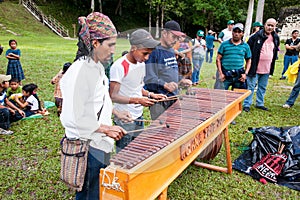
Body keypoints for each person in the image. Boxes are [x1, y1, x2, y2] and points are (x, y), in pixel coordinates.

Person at [59, 12, 126, 199]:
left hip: (98, 144)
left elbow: (96, 102)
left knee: (97, 191)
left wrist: (115, 112)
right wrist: (106, 129)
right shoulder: (80, 72)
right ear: (95, 43)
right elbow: (72, 117)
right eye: (110, 45)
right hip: (87, 148)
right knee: (89, 195)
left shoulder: (95, 68)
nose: (113, 50)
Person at [109, 29, 166, 151]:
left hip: (138, 116)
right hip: (125, 118)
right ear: (134, 48)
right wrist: (138, 101)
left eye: (149, 54)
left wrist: (151, 95)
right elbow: (113, 96)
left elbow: (137, 88)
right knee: (124, 155)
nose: (147, 58)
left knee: (138, 150)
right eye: (145, 53)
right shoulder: (119, 66)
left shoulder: (141, 64)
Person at [144, 20, 192, 120]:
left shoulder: (170, 50)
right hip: (160, 100)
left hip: (173, 97)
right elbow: (148, 79)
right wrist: (165, 85)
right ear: (164, 33)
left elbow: (171, 71)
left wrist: (181, 80)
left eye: (177, 38)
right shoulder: (154, 51)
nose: (176, 40)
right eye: (173, 36)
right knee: (161, 132)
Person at [243, 18, 280, 112]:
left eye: (272, 25)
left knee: (262, 87)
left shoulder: (275, 37)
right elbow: (247, 48)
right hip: (255, 67)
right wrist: (249, 62)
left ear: (275, 27)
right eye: (268, 25)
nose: (270, 27)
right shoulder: (256, 36)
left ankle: (260, 103)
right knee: (250, 86)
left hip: (267, 67)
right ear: (264, 25)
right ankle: (247, 104)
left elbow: (275, 51)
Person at [216, 23, 251, 90]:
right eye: (235, 31)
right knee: (220, 96)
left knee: (237, 97)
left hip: (239, 76)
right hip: (225, 74)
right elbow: (218, 59)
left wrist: (245, 74)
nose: (236, 34)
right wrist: (220, 73)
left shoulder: (245, 46)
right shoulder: (224, 44)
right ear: (232, 32)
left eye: (239, 32)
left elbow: (249, 60)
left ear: (242, 33)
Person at [214, 20, 235, 89]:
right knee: (221, 63)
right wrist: (222, 42)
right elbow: (219, 37)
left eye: (233, 24)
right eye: (231, 24)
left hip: (232, 50)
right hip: (224, 49)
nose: (232, 26)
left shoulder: (234, 31)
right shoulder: (224, 31)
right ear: (228, 25)